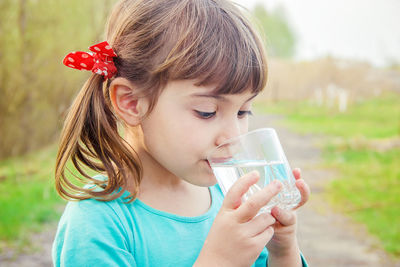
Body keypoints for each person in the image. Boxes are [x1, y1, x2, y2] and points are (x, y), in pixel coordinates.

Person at [53, 0, 311, 266]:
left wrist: (283, 250)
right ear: (131, 103)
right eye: (207, 112)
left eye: (243, 112)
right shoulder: (97, 222)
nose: (232, 137)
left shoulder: (230, 197)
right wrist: (219, 260)